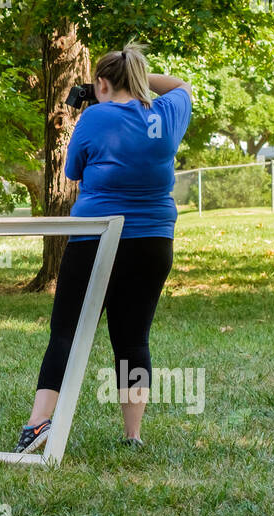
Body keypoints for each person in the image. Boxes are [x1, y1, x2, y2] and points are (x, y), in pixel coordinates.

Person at [14, 41, 192, 453]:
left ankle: (39, 423)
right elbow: (181, 84)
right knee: (133, 339)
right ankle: (132, 435)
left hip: (97, 235)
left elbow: (73, 170)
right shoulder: (166, 112)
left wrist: (97, 99)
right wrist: (133, 80)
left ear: (102, 83)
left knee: (67, 333)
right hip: (153, 239)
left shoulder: (94, 116)